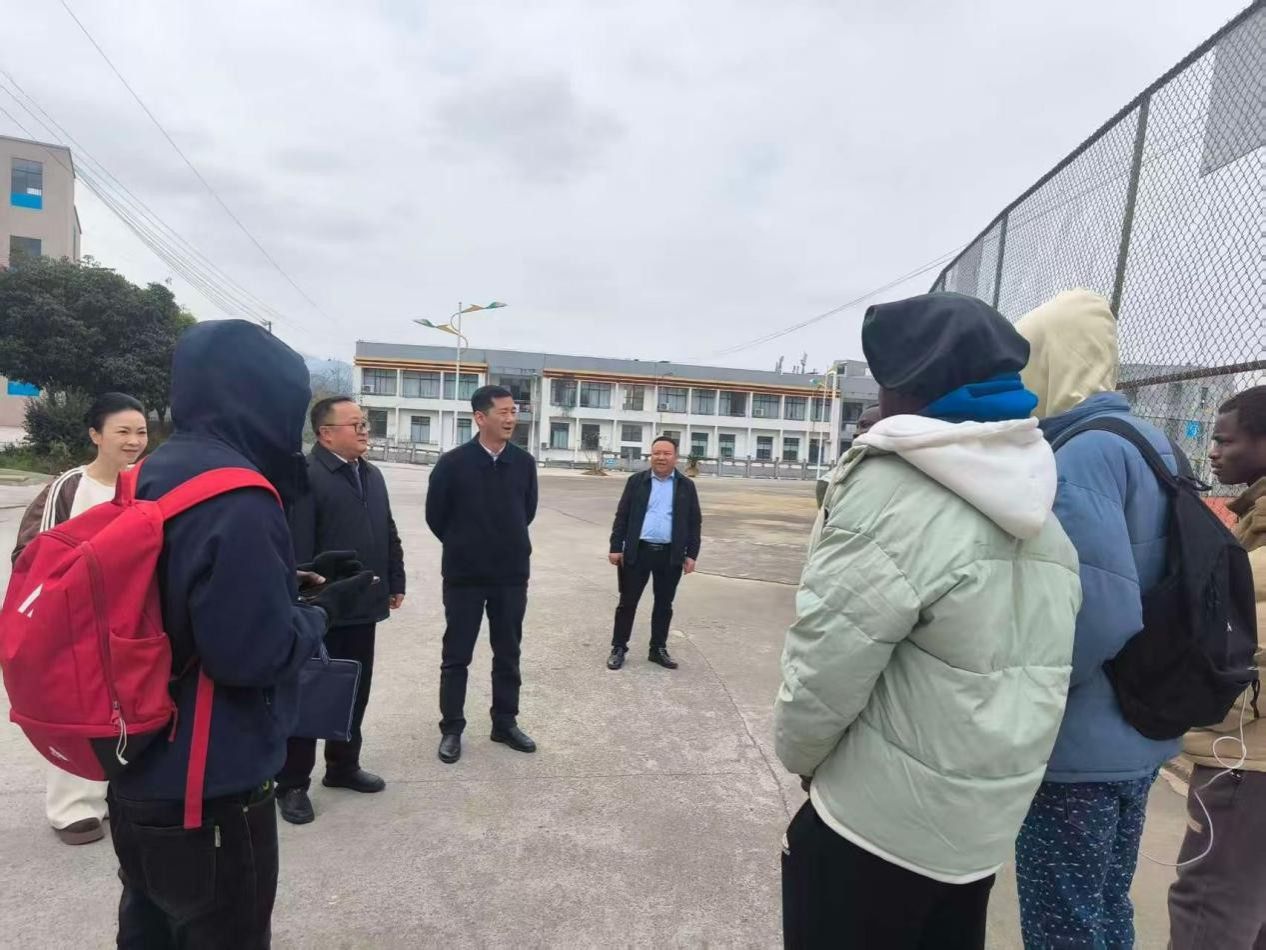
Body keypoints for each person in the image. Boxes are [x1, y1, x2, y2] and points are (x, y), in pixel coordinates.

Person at [775, 292, 1080, 950]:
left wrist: (801, 757)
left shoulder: (891, 491)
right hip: (978, 833)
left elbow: (829, 658)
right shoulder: (1041, 504)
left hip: (877, 827)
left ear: (911, 387)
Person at [107, 320, 373, 949]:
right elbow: (253, 655)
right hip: (209, 788)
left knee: (148, 930)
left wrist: (290, 579)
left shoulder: (152, 471)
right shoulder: (239, 494)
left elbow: (177, 593)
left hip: (136, 763)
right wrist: (324, 610)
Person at [1012, 289, 1180, 949]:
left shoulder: (1080, 456)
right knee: (1106, 908)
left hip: (1080, 746)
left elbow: (1098, 615)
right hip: (1141, 728)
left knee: (1062, 926)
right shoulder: (1153, 443)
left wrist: (1032, 693)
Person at [12, 392, 148, 846]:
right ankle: (74, 806)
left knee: (131, 705)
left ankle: (119, 793)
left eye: (141, 432)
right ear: (95, 435)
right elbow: (32, 554)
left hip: (133, 618)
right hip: (75, 621)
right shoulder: (70, 487)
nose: (133, 441)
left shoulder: (149, 483)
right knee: (76, 706)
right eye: (122, 431)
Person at [275, 396, 406, 825]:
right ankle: (292, 783)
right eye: (355, 424)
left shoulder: (370, 474)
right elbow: (298, 545)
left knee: (355, 687)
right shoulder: (307, 476)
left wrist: (395, 580)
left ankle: (343, 765)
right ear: (326, 433)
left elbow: (387, 529)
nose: (365, 430)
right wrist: (306, 598)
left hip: (363, 601)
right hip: (321, 608)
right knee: (309, 690)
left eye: (365, 423)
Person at [1168, 385, 1266, 950]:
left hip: (1246, 759)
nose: (1213, 451)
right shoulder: (1252, 524)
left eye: (1226, 441)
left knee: (1210, 909)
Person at [426, 385, 539, 765]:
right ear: (480, 417)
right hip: (465, 578)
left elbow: (527, 511)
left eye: (513, 412)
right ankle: (452, 728)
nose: (511, 419)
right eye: (503, 412)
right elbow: (436, 516)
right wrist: (466, 545)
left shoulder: (523, 463)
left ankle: (504, 723)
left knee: (508, 654)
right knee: (456, 656)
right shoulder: (452, 464)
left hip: (510, 576)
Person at [606, 435, 702, 671]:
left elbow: (694, 522)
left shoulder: (686, 486)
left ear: (675, 457)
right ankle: (619, 647)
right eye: (656, 453)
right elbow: (622, 515)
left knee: (664, 604)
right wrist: (616, 547)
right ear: (651, 455)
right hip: (638, 552)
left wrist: (692, 554)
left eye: (666, 453)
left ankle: (657, 649)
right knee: (627, 603)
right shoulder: (636, 482)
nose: (661, 457)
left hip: (670, 554)